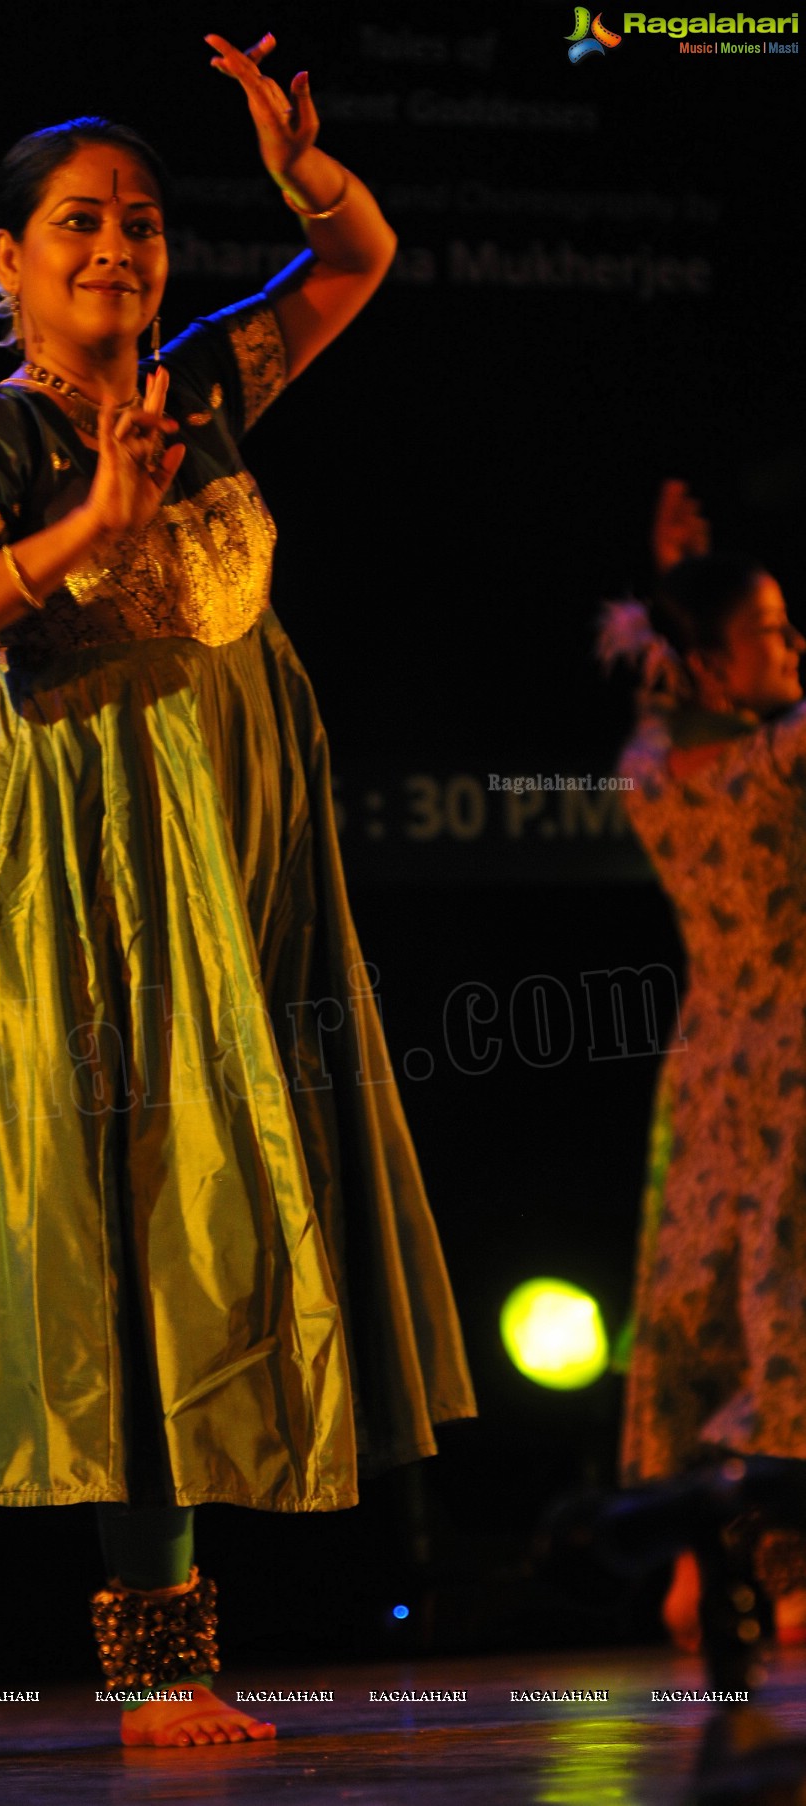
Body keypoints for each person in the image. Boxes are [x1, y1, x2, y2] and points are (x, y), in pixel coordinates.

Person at [0, 32, 475, 1767]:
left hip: (219, 865)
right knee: (61, 1243)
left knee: (186, 1240)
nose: (115, 246)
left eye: (138, 219)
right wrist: (79, 531)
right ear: (1, 264)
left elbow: (355, 262)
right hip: (64, 891)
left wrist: (300, 170)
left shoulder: (204, 384)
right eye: (73, 222)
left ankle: (152, 1671)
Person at [600, 480, 806, 1653]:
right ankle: (777, 1574)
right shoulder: (780, 762)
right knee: (779, 1303)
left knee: (704, 1303)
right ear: (718, 668)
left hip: (710, 1060)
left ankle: (698, 1566)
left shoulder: (644, 771)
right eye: (771, 631)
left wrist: (674, 577)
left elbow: (656, 702)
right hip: (787, 1060)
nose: (792, 644)